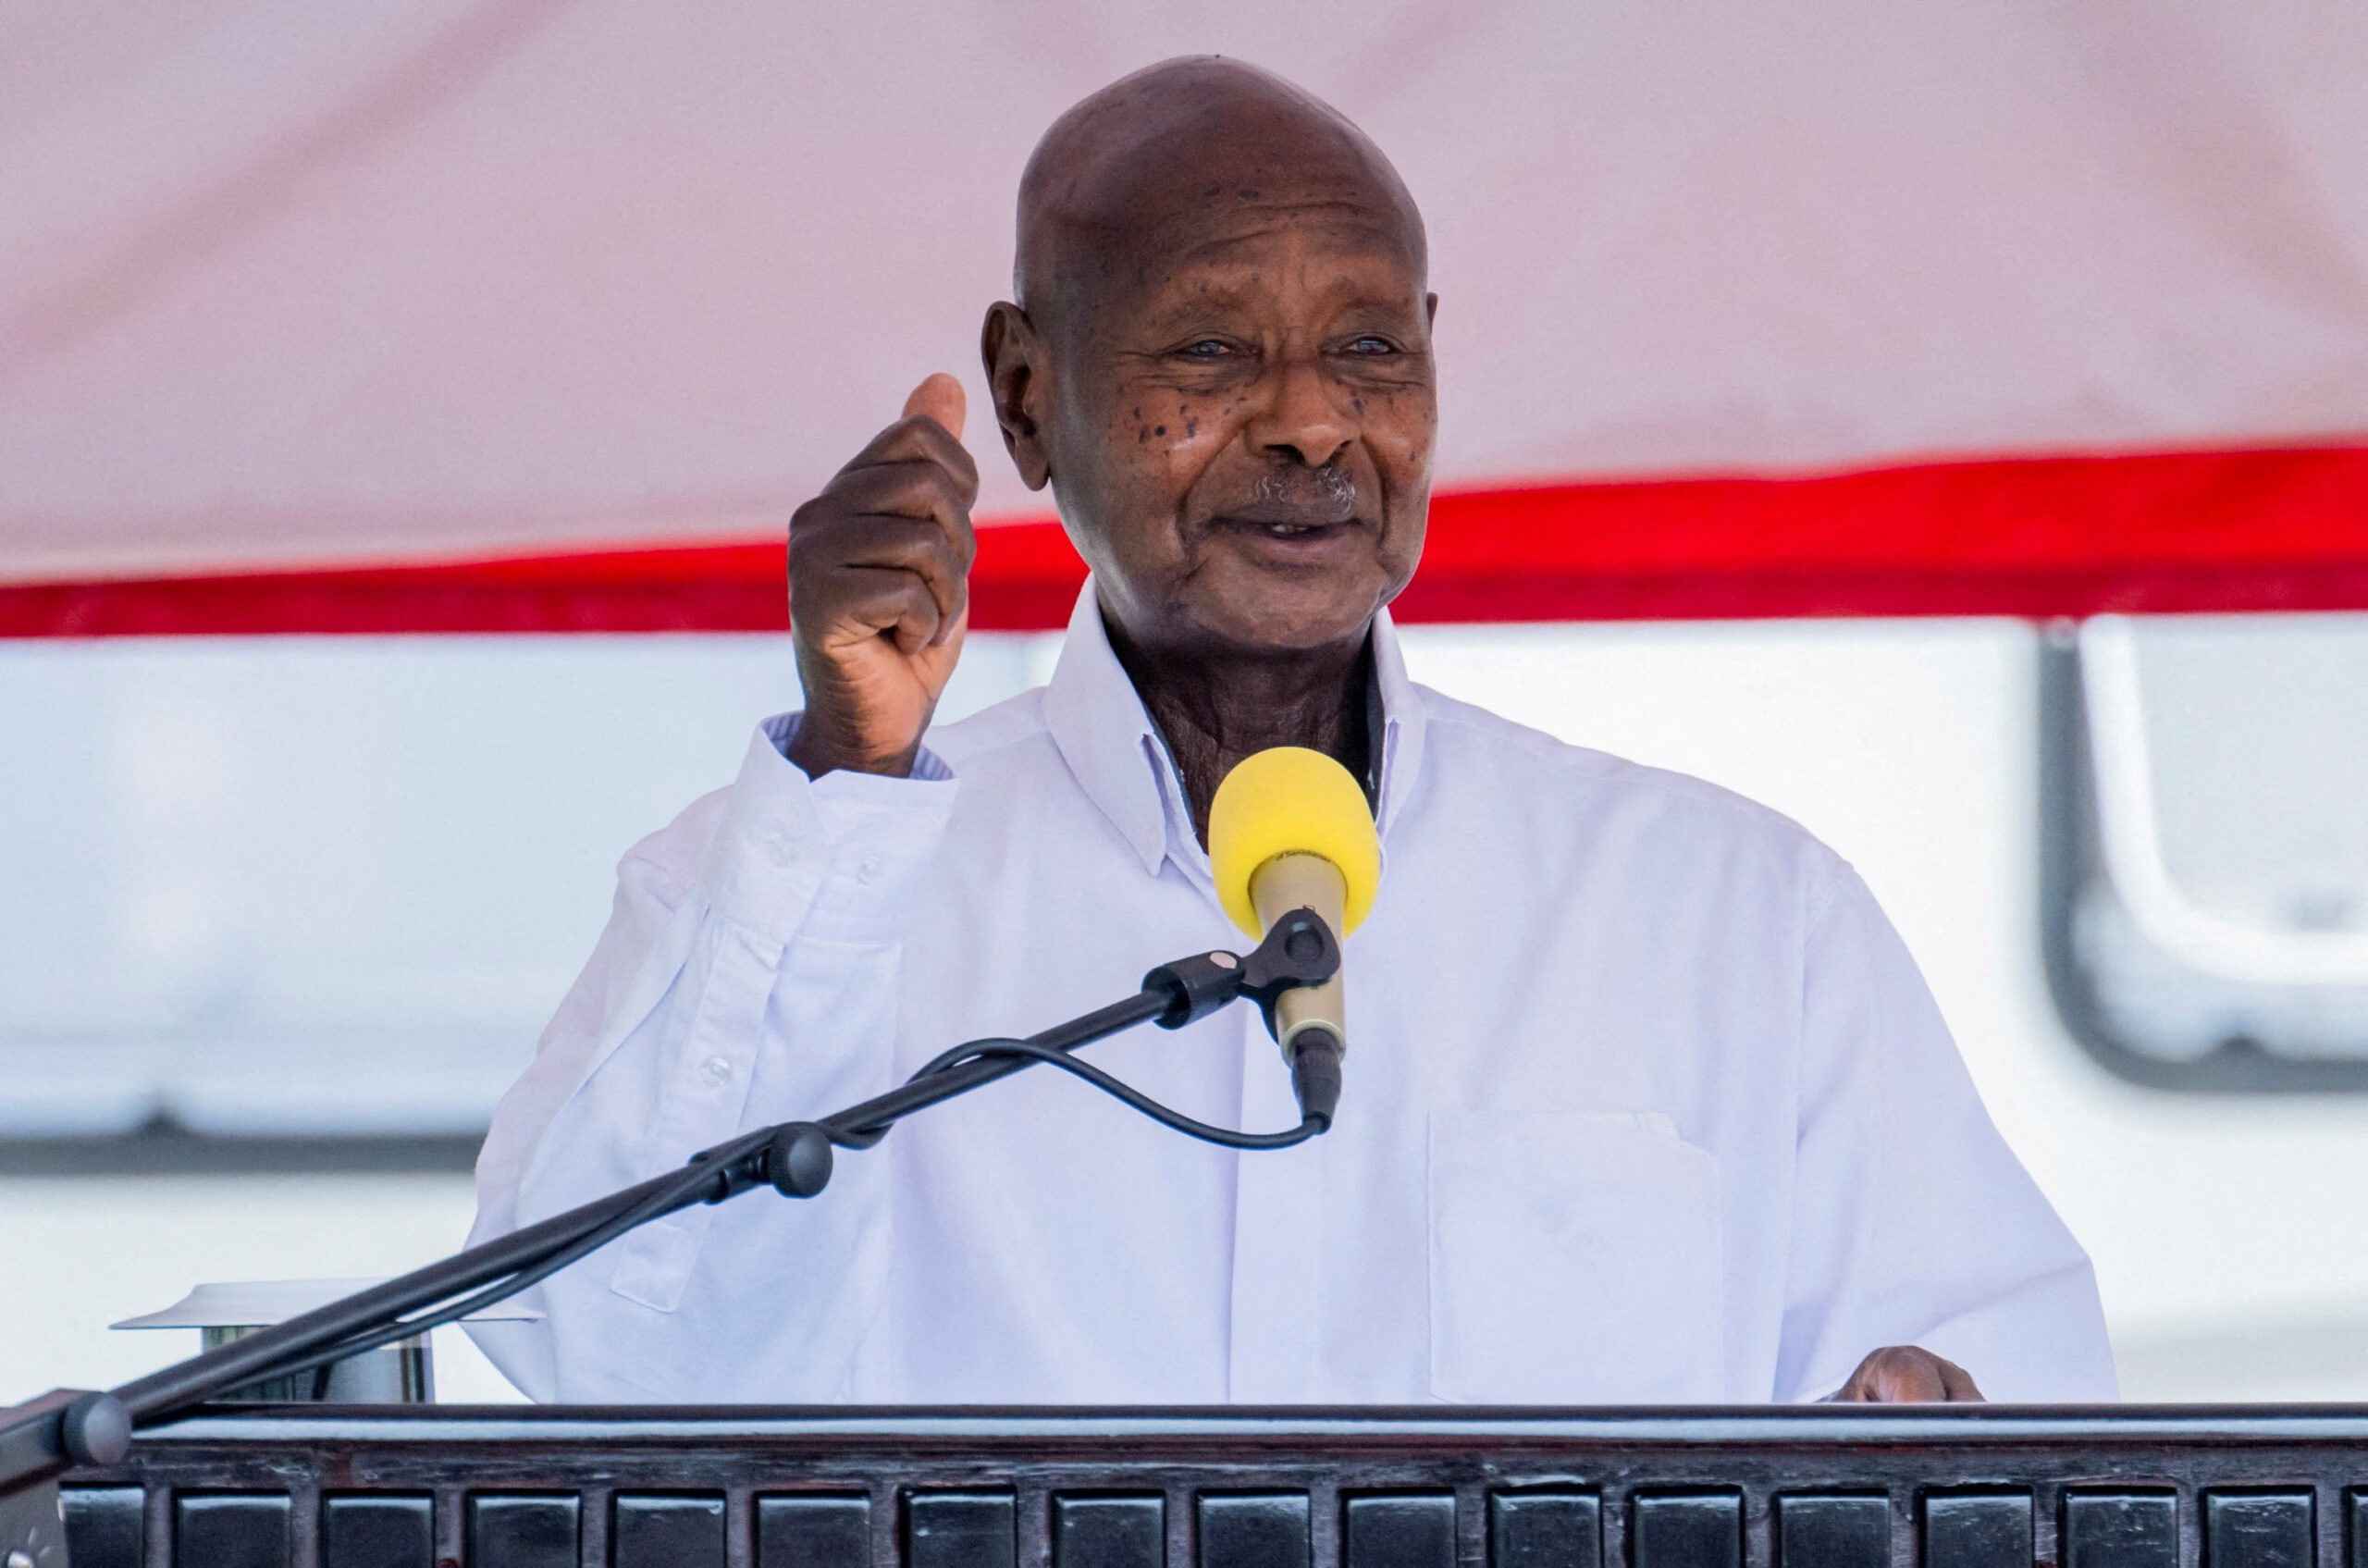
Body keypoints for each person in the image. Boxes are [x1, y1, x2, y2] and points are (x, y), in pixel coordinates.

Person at [465, 57, 2115, 1406]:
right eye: (1209, 350)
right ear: (1028, 398)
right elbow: (617, 1363)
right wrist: (848, 787)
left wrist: (1935, 1430)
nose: (1313, 421)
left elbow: (2013, 1410)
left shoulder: (1734, 915)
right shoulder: (801, 871)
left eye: (1368, 351)